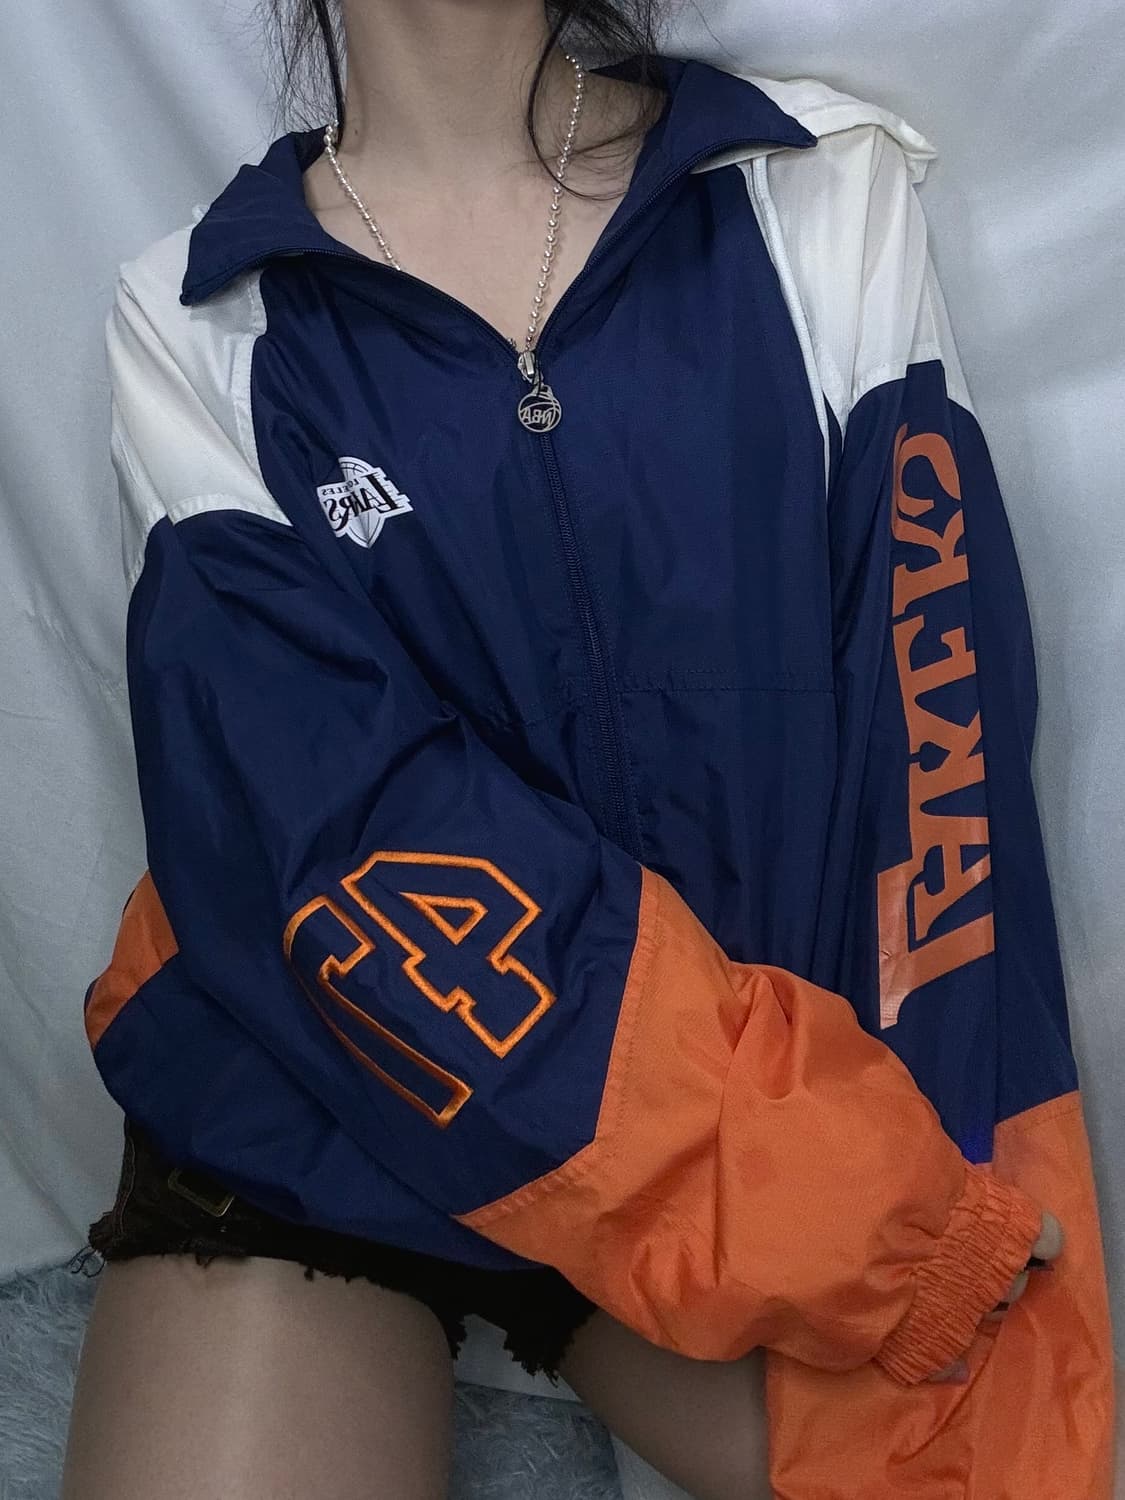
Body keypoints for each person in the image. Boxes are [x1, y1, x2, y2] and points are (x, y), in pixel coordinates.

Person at [61, 3, 1115, 1498]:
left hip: (748, 1111)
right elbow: (308, 825)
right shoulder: (196, 317)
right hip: (331, 1094)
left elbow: (934, 802)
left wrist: (898, 1227)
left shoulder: (811, 189)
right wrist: (854, 1225)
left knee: (986, 1460)